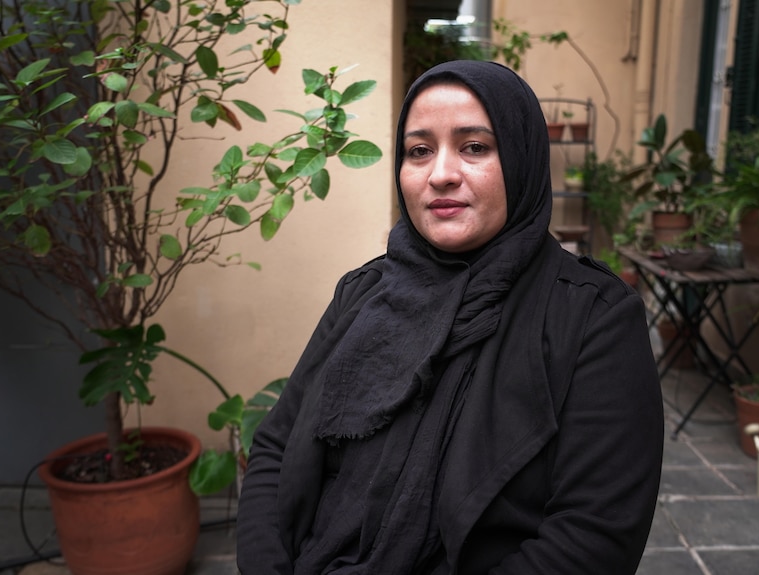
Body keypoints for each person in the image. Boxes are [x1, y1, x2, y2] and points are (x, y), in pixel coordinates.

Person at [236, 60, 663, 574]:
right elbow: (275, 448)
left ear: (523, 159)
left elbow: (592, 538)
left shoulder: (594, 318)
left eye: (475, 147)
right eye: (419, 151)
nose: (440, 174)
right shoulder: (363, 293)